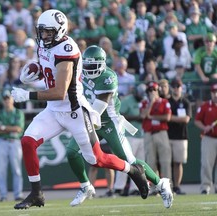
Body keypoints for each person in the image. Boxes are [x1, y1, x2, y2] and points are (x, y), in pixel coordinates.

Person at [10, 9, 149, 210]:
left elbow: (59, 91)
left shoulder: (67, 49)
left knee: (97, 159)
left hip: (75, 111)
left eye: (48, 32)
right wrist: (35, 72)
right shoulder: (44, 44)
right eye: (42, 31)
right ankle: (36, 193)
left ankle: (133, 170)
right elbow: (47, 68)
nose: (44, 36)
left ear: (59, 30)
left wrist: (28, 95)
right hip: (53, 110)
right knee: (27, 141)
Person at [65, 45, 173, 208]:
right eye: (86, 66)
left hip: (108, 122)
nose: (87, 70)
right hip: (90, 119)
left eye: (92, 66)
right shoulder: (80, 72)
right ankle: (85, 186)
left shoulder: (108, 78)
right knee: (71, 152)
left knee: (130, 160)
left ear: (101, 64)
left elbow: (98, 110)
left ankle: (161, 184)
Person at [0, 90, 25, 202]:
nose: (7, 100)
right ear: (3, 100)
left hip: (14, 142)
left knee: (16, 170)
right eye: (5, 98)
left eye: (9, 98)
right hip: (1, 141)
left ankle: (18, 194)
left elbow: (18, 129)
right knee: (0, 170)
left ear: (12, 99)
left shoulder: (18, 113)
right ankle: (3, 195)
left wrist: (4, 128)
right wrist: (8, 129)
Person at [140, 81, 172, 186]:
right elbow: (143, 115)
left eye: (154, 89)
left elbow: (167, 117)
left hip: (161, 132)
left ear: (158, 90)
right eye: (150, 90)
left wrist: (152, 117)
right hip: (149, 134)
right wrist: (151, 103)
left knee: (165, 161)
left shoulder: (164, 102)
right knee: (151, 162)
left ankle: (167, 186)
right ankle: (155, 187)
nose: (152, 92)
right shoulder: (145, 103)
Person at [168, 78, 192, 195]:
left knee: (178, 162)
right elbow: (165, 117)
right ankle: (168, 186)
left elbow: (186, 119)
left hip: (181, 136)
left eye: (178, 86)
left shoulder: (186, 102)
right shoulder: (167, 101)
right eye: (174, 86)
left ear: (181, 88)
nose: (176, 88)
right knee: (167, 162)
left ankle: (177, 186)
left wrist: (171, 118)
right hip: (168, 135)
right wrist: (175, 119)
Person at [194, 83, 217, 194]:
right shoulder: (205, 106)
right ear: (211, 93)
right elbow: (197, 120)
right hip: (209, 138)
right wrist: (205, 127)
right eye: (214, 92)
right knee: (206, 163)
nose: (216, 94)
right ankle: (205, 187)